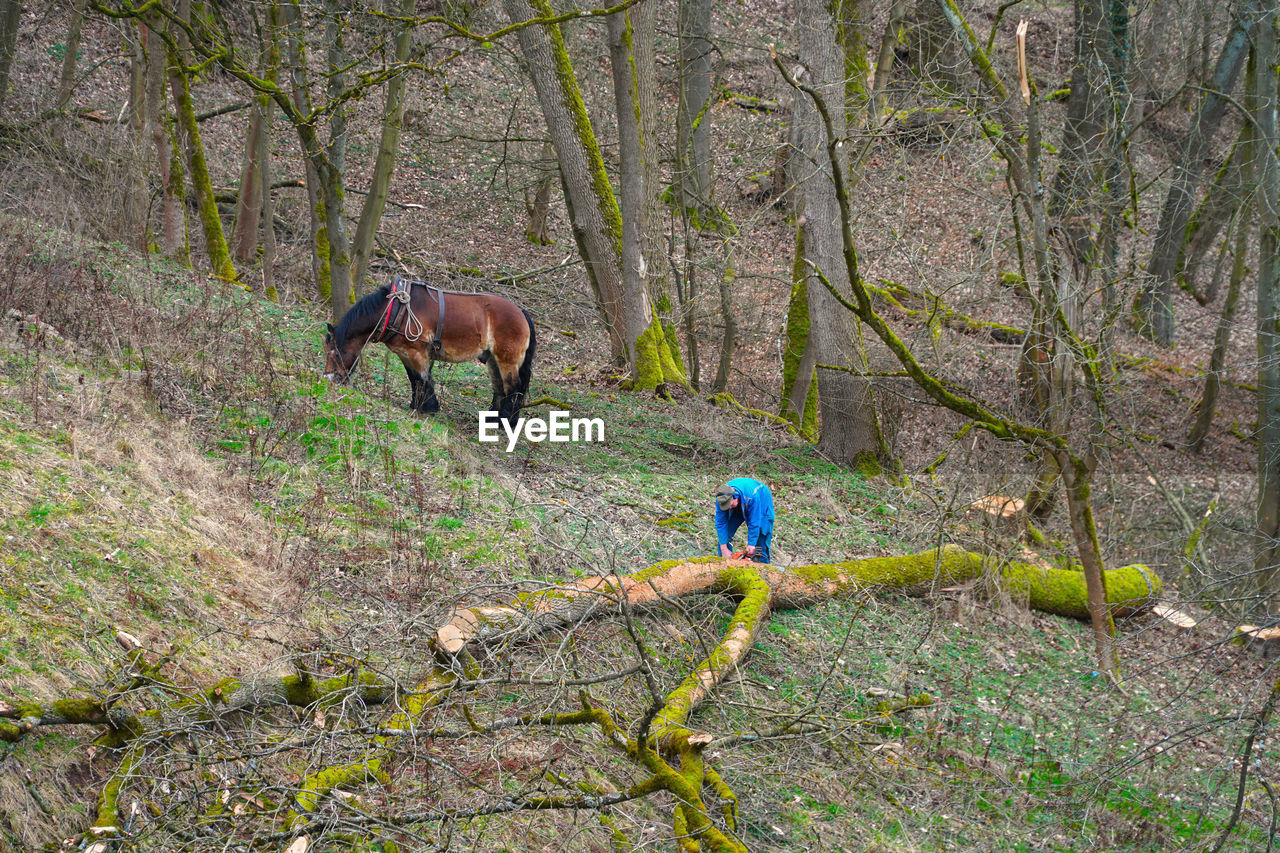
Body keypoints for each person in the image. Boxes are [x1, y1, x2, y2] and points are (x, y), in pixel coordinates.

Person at [714, 478, 775, 563]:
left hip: (761, 499)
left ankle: (762, 566)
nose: (729, 508)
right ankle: (725, 562)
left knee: (762, 532)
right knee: (726, 533)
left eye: (730, 505)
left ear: (735, 497)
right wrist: (724, 548)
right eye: (727, 506)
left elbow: (754, 522)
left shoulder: (751, 496)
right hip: (741, 502)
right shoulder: (721, 499)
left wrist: (751, 544)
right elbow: (721, 523)